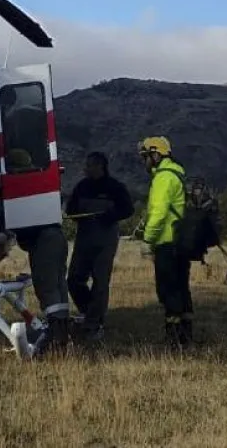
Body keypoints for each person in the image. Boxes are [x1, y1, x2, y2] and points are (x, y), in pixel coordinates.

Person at [65, 151, 134, 343]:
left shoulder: (115, 187)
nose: (85, 169)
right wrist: (75, 213)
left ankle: (93, 324)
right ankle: (90, 312)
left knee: (100, 281)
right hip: (84, 239)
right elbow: (70, 209)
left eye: (89, 165)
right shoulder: (81, 187)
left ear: (99, 166)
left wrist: (110, 215)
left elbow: (128, 209)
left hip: (106, 239)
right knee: (74, 279)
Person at [138, 136, 194, 348]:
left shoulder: (163, 178)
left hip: (167, 243)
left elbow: (159, 213)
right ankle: (186, 336)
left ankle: (174, 339)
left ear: (155, 155)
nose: (144, 161)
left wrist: (148, 239)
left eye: (146, 156)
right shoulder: (177, 174)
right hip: (180, 242)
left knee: (168, 291)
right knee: (182, 289)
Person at [12, 223, 72, 357]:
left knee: (47, 286)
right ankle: (61, 336)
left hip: (43, 239)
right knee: (59, 284)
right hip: (57, 236)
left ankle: (52, 338)